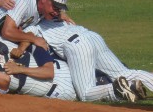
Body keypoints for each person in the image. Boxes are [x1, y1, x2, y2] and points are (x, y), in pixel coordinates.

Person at [18, 11, 152, 102]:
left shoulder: (34, 26)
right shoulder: (59, 17)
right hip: (92, 36)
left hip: (78, 46)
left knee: (85, 93)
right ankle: (134, 84)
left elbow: (27, 37)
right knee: (125, 72)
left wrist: (20, 48)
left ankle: (115, 90)